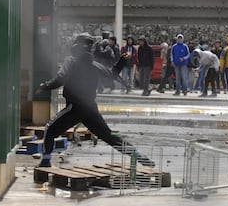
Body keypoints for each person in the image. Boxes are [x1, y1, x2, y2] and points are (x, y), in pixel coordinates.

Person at [35, 33, 154, 168]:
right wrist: (122, 60)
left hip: (75, 107)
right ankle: (138, 155)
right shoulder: (94, 64)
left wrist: (44, 86)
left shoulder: (71, 61)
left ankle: (45, 162)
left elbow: (60, 79)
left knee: (50, 129)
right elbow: (112, 74)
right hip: (90, 108)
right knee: (109, 137)